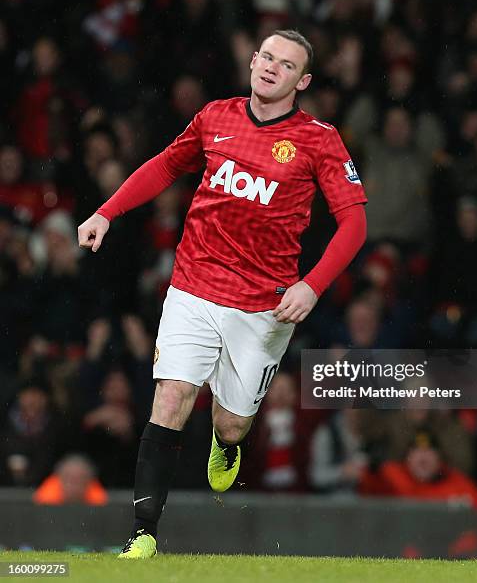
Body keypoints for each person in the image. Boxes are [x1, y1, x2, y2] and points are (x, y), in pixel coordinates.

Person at [77, 29, 367, 558]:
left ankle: (225, 443)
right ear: (253, 61)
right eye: (267, 57)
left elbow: (354, 223)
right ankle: (143, 533)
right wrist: (106, 211)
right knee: (171, 396)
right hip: (193, 283)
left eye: (287, 65)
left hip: (263, 304)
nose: (271, 68)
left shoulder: (319, 139)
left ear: (302, 81)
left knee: (232, 423)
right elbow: (166, 164)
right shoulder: (216, 116)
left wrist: (312, 285)